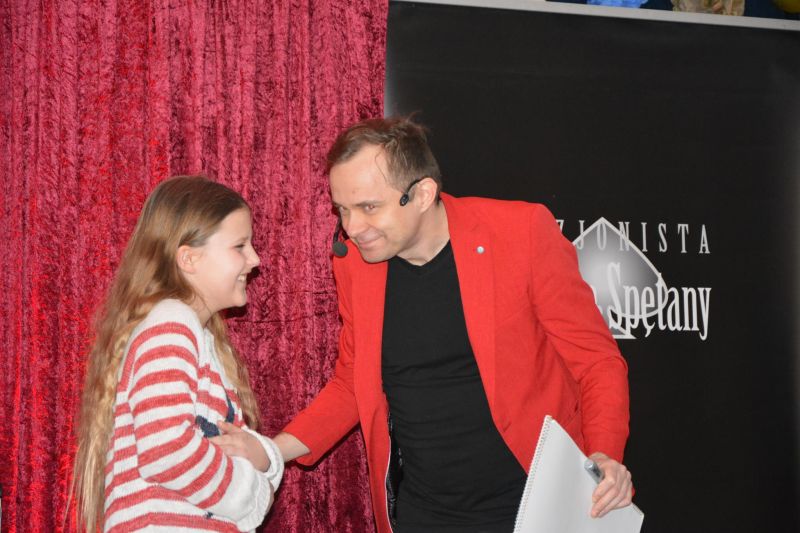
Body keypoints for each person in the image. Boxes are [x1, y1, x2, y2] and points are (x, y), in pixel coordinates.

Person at [273, 116, 633, 532]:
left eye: (369, 207)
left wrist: (604, 455)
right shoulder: (355, 264)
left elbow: (596, 362)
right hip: (425, 513)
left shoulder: (521, 233)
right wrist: (270, 452)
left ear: (423, 194)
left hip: (536, 505)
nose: (353, 229)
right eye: (342, 210)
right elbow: (353, 383)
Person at [72, 176, 283, 532]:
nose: (255, 259)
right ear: (189, 258)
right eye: (240, 246)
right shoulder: (171, 322)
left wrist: (265, 459)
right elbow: (166, 449)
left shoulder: (199, 338)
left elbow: (234, 444)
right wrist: (255, 495)